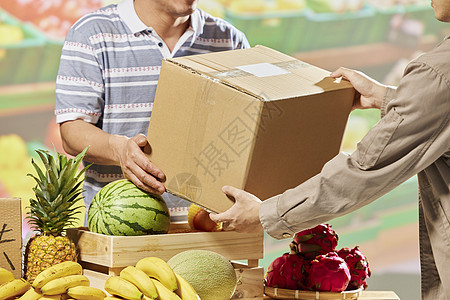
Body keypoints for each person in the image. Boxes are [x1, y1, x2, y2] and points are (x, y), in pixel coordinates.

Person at [210, 1, 450, 299]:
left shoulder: (438, 70)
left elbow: (364, 170)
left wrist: (265, 213)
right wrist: (385, 98)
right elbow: (439, 110)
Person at [55, 0, 250, 220]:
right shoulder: (92, 33)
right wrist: (119, 150)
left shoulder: (229, 40)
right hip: (123, 225)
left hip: (209, 227)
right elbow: (71, 133)